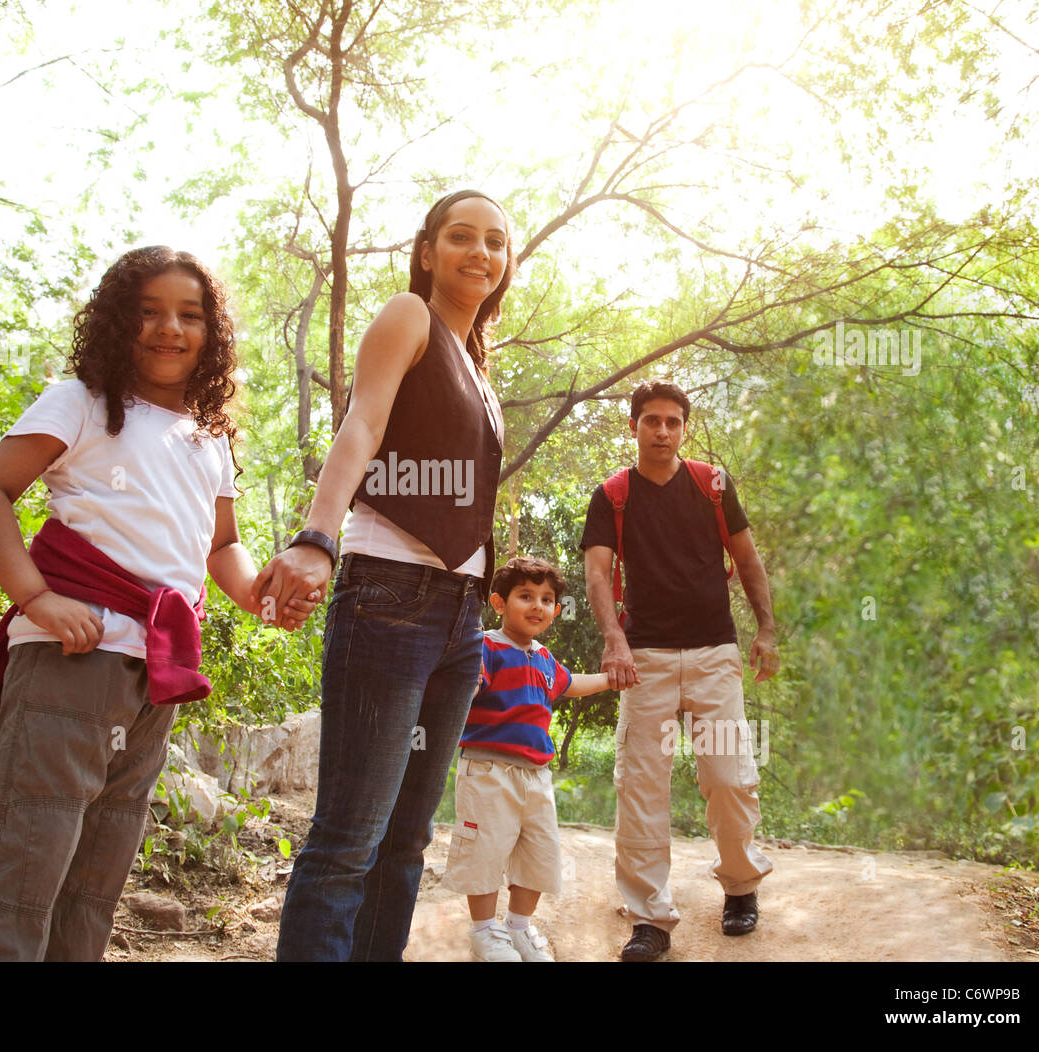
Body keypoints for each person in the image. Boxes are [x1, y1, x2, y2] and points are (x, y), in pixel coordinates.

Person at [0, 246, 313, 961]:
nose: (169, 328)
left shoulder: (209, 436)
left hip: (154, 677)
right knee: (24, 867)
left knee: (96, 880)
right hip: (71, 660)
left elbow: (218, 549)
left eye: (189, 314)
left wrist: (263, 599)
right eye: (148, 312)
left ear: (213, 333)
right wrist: (37, 599)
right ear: (117, 322)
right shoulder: (81, 401)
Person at [257, 190, 513, 961]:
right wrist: (315, 538)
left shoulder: (477, 364)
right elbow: (362, 424)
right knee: (348, 838)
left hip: (460, 617)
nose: (481, 252)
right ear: (428, 250)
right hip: (390, 595)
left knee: (406, 839)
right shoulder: (410, 316)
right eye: (461, 236)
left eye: (496, 241)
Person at [580, 378, 780, 963]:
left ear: (684, 427)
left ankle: (740, 888)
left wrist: (766, 629)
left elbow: (746, 558)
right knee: (641, 787)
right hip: (644, 660)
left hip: (715, 653)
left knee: (728, 777)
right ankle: (650, 920)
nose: (662, 431)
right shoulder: (612, 495)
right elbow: (597, 574)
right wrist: (613, 640)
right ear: (635, 426)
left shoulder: (712, 485)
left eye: (672, 421)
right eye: (651, 421)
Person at [442, 556, 611, 962]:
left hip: (537, 775)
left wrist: (610, 679)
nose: (538, 606)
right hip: (488, 770)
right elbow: (466, 685)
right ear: (499, 604)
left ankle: (518, 928)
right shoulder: (485, 646)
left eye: (547, 599)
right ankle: (484, 932)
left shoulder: (545, 659)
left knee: (539, 853)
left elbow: (572, 684)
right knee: (484, 849)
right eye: (526, 596)